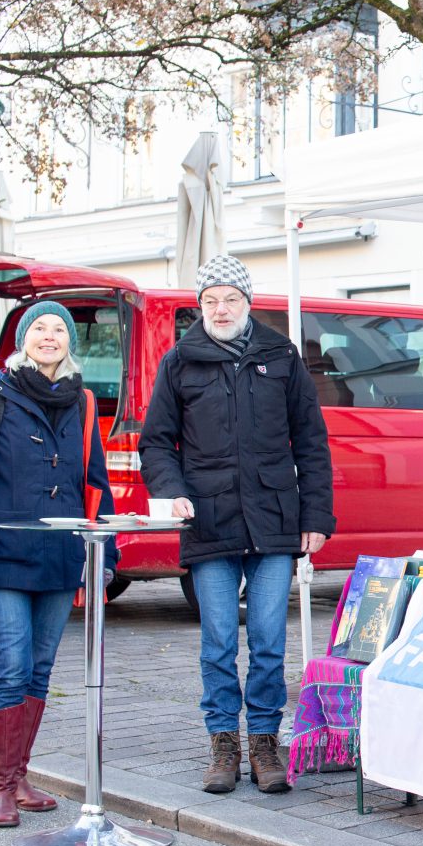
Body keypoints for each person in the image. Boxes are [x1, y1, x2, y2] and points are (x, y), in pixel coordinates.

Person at [140, 255, 336, 795]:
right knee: (219, 639)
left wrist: (317, 515)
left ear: (248, 303)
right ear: (198, 306)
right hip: (209, 520)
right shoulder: (181, 361)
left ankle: (266, 744)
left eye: (229, 299)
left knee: (270, 639)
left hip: (274, 519)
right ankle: (223, 742)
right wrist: (171, 490)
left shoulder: (281, 355)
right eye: (210, 300)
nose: (220, 308)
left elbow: (311, 441)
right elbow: (156, 442)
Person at [0, 301, 117, 827]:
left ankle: (20, 774)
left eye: (59, 330)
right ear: (23, 340)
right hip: (2, 561)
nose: (50, 337)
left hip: (60, 559)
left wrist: (105, 554)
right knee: (13, 665)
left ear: (70, 342)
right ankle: (0, 787)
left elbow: (95, 484)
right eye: (39, 329)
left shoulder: (83, 402)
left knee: (40, 671)